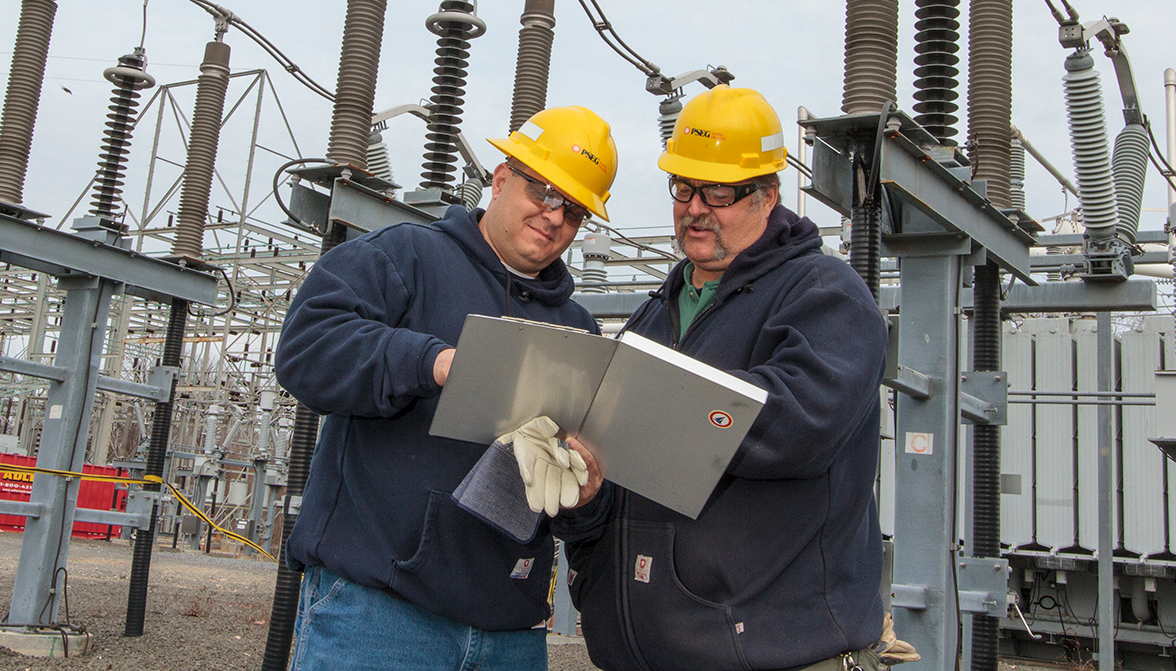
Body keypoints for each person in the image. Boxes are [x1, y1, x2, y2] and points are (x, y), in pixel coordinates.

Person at [553, 85, 889, 671]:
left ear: (768, 194)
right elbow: (623, 474)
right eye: (683, 187)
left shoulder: (824, 295)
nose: (695, 207)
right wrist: (583, 496)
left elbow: (798, 426)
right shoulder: (657, 312)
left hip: (773, 655)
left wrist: (633, 406)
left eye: (720, 191)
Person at [274, 106, 617, 671]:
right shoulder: (405, 256)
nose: (555, 217)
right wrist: (435, 363)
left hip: (510, 631)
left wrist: (585, 497)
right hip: (381, 617)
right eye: (544, 193)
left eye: (575, 210)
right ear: (501, 180)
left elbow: (570, 506)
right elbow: (307, 349)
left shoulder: (577, 330)